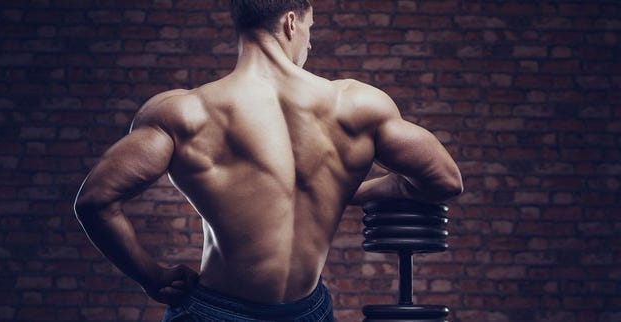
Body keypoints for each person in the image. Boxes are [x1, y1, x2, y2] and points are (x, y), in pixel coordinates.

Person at [73, 0, 463, 321]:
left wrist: (152, 277)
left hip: (214, 309)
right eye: (311, 30)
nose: (309, 43)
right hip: (306, 311)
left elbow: (96, 200)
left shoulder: (186, 113)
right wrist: (345, 191)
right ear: (292, 23)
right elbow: (444, 180)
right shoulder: (356, 107)